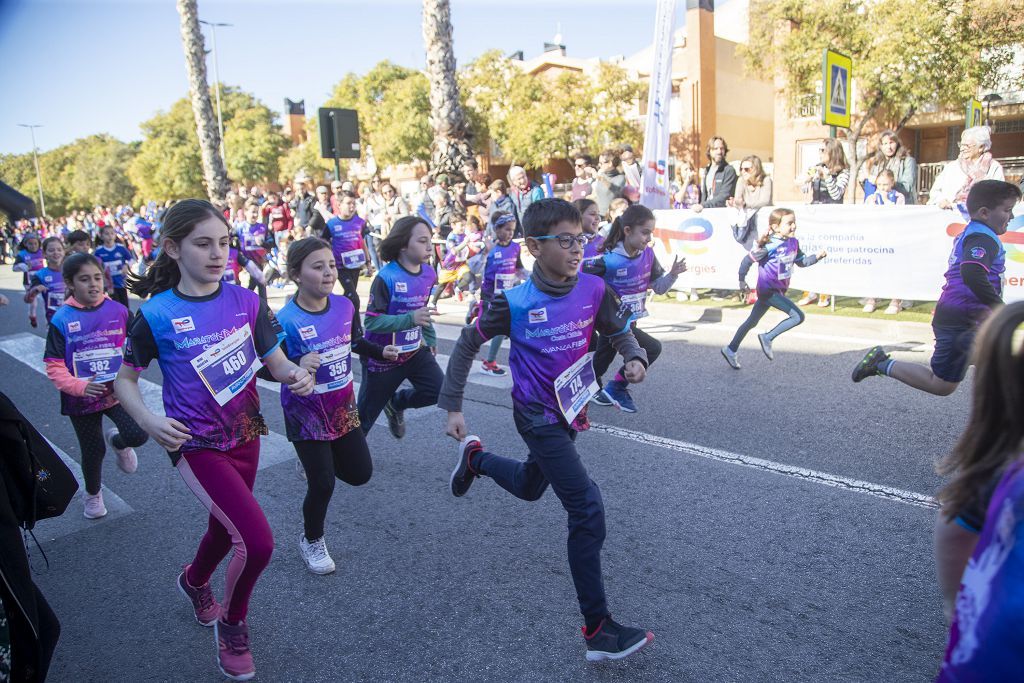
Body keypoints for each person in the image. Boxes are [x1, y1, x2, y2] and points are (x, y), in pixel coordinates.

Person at [440, 198, 654, 662]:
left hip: (570, 407)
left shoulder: (595, 289)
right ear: (535, 247)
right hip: (536, 415)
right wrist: (453, 405)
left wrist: (634, 356)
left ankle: (475, 460)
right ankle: (597, 628)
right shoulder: (514, 301)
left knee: (530, 485)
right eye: (565, 240)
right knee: (586, 506)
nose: (577, 249)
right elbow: (466, 345)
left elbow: (618, 330)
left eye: (581, 239)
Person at [115, 199, 314, 681]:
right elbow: (124, 379)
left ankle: (194, 580)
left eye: (224, 243)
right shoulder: (157, 314)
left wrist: (295, 375)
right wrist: (148, 420)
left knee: (225, 528)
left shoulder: (246, 301)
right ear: (172, 248)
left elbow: (275, 360)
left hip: (246, 433)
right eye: (203, 244)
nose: (217, 253)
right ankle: (232, 623)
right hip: (195, 445)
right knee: (258, 541)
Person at [275, 237, 398, 575]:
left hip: (343, 407)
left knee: (360, 474)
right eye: (318, 267)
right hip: (306, 413)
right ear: (296, 274)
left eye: (331, 265)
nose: (329, 272)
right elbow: (268, 366)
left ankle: (315, 465)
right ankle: (311, 540)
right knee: (323, 483)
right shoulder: (284, 320)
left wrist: (379, 351)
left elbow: (355, 340)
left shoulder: (344, 305)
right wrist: (297, 363)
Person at [853, 180, 1021, 394]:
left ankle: (1001, 419)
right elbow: (972, 273)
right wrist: (1001, 309)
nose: (1012, 217)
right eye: (1007, 210)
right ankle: (880, 364)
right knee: (942, 385)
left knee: (999, 367)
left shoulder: (976, 232)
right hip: (961, 322)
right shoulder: (981, 238)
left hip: (968, 320)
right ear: (985, 213)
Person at [933, 302, 1024, 679]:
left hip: (980, 656)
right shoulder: (979, 241)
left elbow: (955, 522)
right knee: (941, 384)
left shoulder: (1004, 471)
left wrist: (960, 607)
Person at [44, 252, 148, 518]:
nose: (93, 284)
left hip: (116, 392)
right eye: (84, 279)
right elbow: (54, 366)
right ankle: (93, 495)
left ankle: (119, 441)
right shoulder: (62, 319)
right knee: (93, 451)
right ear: (69, 283)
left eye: (97, 278)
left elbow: (138, 341)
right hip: (81, 399)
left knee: (138, 434)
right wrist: (78, 386)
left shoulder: (119, 310)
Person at [584, 205, 685, 411]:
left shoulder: (647, 254)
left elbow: (659, 288)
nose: (648, 238)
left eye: (651, 233)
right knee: (652, 348)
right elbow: (582, 284)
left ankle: (589, 389)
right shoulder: (608, 260)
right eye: (645, 232)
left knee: (603, 359)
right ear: (627, 231)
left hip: (630, 321)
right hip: (612, 323)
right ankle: (612, 387)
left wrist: (673, 274)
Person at [358, 216, 443, 440]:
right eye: (422, 241)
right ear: (403, 244)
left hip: (414, 351)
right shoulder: (386, 278)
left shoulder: (429, 274)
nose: (429, 247)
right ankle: (326, 458)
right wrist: (410, 319)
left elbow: (422, 310)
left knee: (439, 391)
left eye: (430, 240)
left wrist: (430, 338)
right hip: (382, 357)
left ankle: (396, 403)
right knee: (363, 420)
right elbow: (372, 322)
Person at [721, 208, 827, 369]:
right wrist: (741, 281)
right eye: (789, 223)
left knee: (751, 322)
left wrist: (817, 257)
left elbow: (802, 262)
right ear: (776, 227)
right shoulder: (769, 245)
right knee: (798, 316)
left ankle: (730, 349)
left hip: (778, 291)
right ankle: (768, 337)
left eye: (794, 222)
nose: (793, 226)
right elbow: (746, 261)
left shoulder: (793, 242)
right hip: (767, 290)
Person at [468, 212, 524, 377]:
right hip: (490, 296)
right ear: (496, 229)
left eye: (512, 230)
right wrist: (486, 253)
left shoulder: (516, 247)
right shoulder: (490, 247)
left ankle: (491, 362)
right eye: (506, 229)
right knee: (493, 329)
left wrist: (529, 278)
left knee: (506, 328)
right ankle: (476, 314)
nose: (510, 233)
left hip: (509, 296)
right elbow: (475, 269)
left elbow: (519, 269)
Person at [797, 138, 849, 308]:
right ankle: (809, 291)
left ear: (832, 152)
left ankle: (825, 292)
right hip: (815, 216)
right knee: (810, 251)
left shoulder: (843, 172)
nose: (820, 154)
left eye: (823, 150)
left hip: (832, 218)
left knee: (825, 254)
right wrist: (806, 180)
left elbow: (836, 194)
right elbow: (803, 187)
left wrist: (827, 176)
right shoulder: (816, 167)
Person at [731, 156, 774, 303]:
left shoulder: (766, 180)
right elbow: (738, 199)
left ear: (755, 168)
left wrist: (745, 203)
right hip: (748, 223)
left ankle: (764, 290)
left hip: (763, 223)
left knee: (763, 256)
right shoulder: (741, 181)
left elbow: (765, 200)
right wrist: (738, 203)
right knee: (748, 257)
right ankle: (747, 290)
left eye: (747, 169)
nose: (743, 172)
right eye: (741, 169)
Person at [929, 126, 1005, 209]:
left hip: (981, 217)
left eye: (967, 146)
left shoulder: (994, 167)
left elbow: (1000, 196)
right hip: (951, 217)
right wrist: (941, 200)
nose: (962, 149)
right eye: (961, 145)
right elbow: (935, 192)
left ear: (981, 147)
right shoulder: (951, 167)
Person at [319, 191, 368, 313]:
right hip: (340, 266)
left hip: (356, 264)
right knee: (354, 297)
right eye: (348, 203)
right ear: (339, 205)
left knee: (350, 295)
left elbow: (363, 242)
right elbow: (322, 243)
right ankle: (356, 329)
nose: (352, 207)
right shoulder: (332, 224)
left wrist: (367, 261)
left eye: (354, 203)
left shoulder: (359, 222)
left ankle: (341, 316)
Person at [859, 129, 918, 204]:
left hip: (901, 206)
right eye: (885, 143)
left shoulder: (908, 161)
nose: (888, 147)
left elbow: (907, 188)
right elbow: (872, 190)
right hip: (879, 208)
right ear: (881, 146)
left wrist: (884, 182)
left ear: (897, 143)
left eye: (891, 143)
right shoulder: (877, 163)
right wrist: (864, 181)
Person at [25, 237, 67, 324]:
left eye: (59, 249)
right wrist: (34, 291)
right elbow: (27, 299)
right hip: (54, 320)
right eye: (51, 250)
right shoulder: (40, 275)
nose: (56, 252)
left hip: (74, 317)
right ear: (44, 254)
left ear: (64, 252)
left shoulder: (72, 270)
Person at [94, 222, 136, 308]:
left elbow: (132, 260)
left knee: (125, 305)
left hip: (121, 282)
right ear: (101, 236)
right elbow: (96, 266)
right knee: (115, 305)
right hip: (109, 285)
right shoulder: (99, 251)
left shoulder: (120, 248)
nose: (110, 236)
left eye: (112, 233)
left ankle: (127, 320)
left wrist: (127, 266)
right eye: (106, 234)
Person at [234, 202, 269, 303]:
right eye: (252, 212)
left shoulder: (262, 227)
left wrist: (263, 243)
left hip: (259, 260)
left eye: (256, 212)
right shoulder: (240, 227)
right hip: (246, 260)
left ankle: (263, 308)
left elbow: (271, 242)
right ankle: (248, 302)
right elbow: (232, 240)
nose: (254, 215)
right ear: (245, 212)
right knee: (257, 282)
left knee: (259, 282)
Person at [694, 136, 737, 211]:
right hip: (707, 212)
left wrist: (703, 205)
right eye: (715, 149)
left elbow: (724, 196)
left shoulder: (729, 170)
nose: (719, 152)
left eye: (722, 148)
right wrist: (702, 206)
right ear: (709, 151)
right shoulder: (707, 170)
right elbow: (704, 195)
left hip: (721, 213)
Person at [13, 232, 44, 327]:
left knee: (46, 300)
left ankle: (50, 319)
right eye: (30, 244)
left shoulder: (42, 252)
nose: (33, 246)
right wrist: (24, 266)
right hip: (29, 281)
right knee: (33, 302)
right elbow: (14, 268)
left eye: (35, 243)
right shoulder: (22, 254)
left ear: (39, 243)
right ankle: (32, 316)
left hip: (42, 279)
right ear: (26, 244)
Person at [592, 150, 626, 219]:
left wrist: (601, 179)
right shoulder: (601, 175)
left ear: (610, 163)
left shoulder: (620, 178)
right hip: (598, 215)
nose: (599, 165)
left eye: (601, 163)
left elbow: (615, 190)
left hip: (612, 216)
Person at [574, 198, 605, 269]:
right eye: (593, 214)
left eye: (598, 214)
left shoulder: (603, 241)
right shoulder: (571, 244)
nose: (598, 218)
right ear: (578, 216)